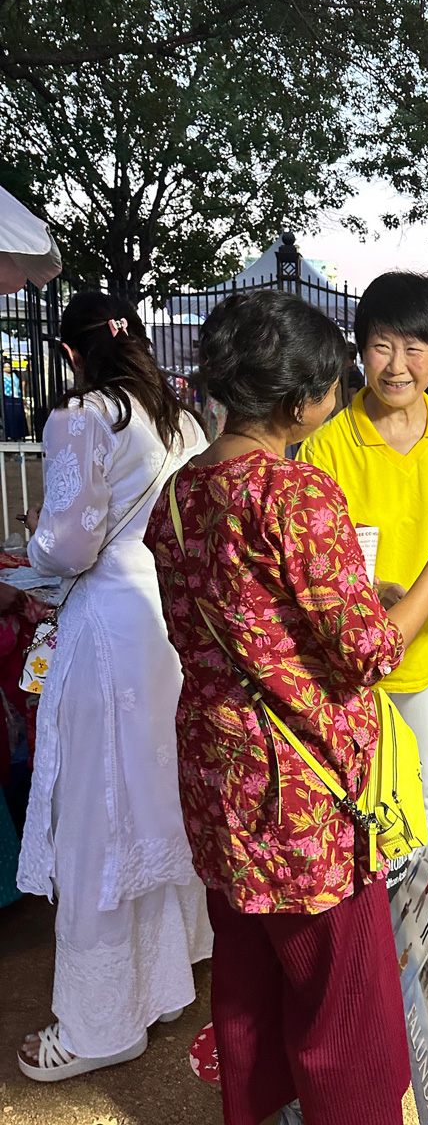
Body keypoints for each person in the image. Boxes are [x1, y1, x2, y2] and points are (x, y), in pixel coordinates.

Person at [145, 289, 428, 1125]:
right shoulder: (294, 493)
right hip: (302, 795)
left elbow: (240, 617)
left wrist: (365, 599)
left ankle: (261, 1109)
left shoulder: (183, 492)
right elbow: (370, 653)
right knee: (344, 1000)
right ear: (298, 402)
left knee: (249, 976)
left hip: (219, 775)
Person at [16, 291, 211, 1080]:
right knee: (155, 797)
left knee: (98, 810)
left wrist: (34, 547)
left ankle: (100, 1024)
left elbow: (67, 546)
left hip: (106, 621)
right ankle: (164, 981)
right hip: (165, 620)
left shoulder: (83, 417)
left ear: (72, 353)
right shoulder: (182, 421)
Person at [301, 273, 428, 820]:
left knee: (417, 793)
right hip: (347, 663)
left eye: (414, 348)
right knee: (350, 798)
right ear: (360, 353)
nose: (396, 366)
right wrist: (370, 589)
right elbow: (316, 561)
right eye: (381, 346)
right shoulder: (326, 447)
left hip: (426, 656)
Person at [3, 360, 27, 440]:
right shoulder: (2, 376)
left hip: (17, 396)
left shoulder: (15, 375)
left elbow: (20, 385)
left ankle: (20, 434)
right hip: (7, 397)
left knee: (19, 415)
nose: (7, 368)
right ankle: (10, 434)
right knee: (10, 416)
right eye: (5, 367)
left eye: (8, 366)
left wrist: (23, 397)